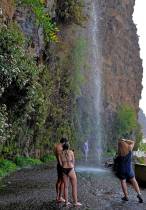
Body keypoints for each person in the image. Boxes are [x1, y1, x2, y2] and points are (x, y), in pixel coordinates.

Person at [116, 138, 143, 203]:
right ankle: (139, 194)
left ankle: (126, 196)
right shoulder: (130, 149)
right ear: (125, 144)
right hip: (129, 169)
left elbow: (116, 162)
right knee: (134, 181)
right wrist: (125, 140)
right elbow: (133, 142)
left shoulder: (119, 154)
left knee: (123, 182)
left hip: (121, 169)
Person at [58, 142, 82, 207]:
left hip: (64, 170)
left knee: (66, 187)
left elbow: (60, 164)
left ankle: (66, 202)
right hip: (70, 169)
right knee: (74, 186)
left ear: (63, 147)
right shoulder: (71, 152)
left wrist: (64, 165)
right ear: (68, 147)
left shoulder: (60, 153)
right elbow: (73, 161)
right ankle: (75, 202)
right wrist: (72, 166)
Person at [54, 137, 68, 202]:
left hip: (58, 165)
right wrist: (62, 167)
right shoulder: (60, 148)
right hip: (61, 165)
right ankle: (60, 197)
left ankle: (57, 196)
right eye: (66, 143)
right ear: (64, 142)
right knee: (62, 181)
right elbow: (60, 158)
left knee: (59, 180)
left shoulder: (57, 146)